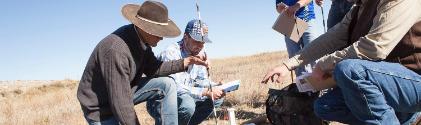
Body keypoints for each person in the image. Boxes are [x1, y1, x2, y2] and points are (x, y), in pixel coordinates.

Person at [262, 0, 421, 124]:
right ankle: (401, 118)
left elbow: (374, 47)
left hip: (414, 81)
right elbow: (331, 38)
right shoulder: (359, 8)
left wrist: (324, 64)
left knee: (350, 70)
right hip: (388, 82)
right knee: (324, 106)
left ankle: (408, 113)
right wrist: (287, 65)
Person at [77, 1, 208, 125]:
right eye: (159, 33)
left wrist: (187, 61)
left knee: (167, 84)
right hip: (102, 108)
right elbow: (120, 102)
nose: (162, 38)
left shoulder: (142, 42)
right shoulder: (116, 50)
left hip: (124, 89)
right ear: (145, 28)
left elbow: (155, 68)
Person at [157, 19, 225, 125]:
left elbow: (201, 81)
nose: (200, 46)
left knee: (216, 99)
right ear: (185, 37)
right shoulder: (171, 53)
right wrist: (205, 92)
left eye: (202, 43)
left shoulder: (199, 53)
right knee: (187, 104)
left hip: (186, 96)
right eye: (197, 41)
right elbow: (174, 88)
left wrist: (215, 86)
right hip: (163, 100)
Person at [275, 0, 317, 76]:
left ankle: (322, 85)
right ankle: (303, 85)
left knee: (314, 54)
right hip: (289, 21)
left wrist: (295, 7)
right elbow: (278, 6)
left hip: (306, 18)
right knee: (294, 58)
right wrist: (282, 9)